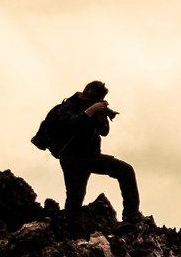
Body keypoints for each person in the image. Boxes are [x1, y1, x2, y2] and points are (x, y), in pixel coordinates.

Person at [48, 80, 140, 221]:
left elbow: (104, 132)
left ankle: (131, 215)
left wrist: (101, 118)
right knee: (75, 196)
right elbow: (73, 123)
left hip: (91, 157)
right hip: (72, 159)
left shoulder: (94, 108)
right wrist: (92, 110)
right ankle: (73, 231)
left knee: (126, 171)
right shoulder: (68, 106)